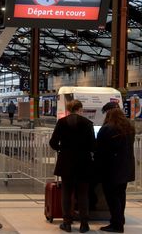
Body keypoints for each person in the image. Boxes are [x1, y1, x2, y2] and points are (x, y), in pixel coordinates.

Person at [49, 100, 95, 233]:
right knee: (83, 194)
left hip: (66, 162)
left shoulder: (62, 123)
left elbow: (52, 142)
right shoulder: (87, 123)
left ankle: (67, 223)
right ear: (80, 109)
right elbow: (93, 145)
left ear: (69, 109)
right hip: (83, 163)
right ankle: (84, 224)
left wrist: (61, 150)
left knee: (66, 192)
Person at [96, 103, 135, 233]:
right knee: (120, 195)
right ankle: (119, 220)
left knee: (112, 197)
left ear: (108, 113)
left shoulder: (107, 128)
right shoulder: (129, 127)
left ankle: (117, 225)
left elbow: (99, 150)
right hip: (126, 168)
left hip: (111, 169)